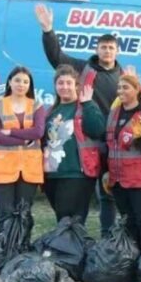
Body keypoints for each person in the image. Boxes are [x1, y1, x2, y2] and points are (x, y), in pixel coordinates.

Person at [35, 3, 122, 237]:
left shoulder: (124, 77)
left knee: (111, 193)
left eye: (111, 48)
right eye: (103, 47)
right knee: (95, 195)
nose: (107, 51)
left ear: (117, 51)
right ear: (97, 49)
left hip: (114, 142)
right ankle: (81, 238)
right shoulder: (84, 68)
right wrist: (48, 31)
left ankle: (110, 238)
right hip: (90, 142)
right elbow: (57, 57)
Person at [42, 65, 106, 223]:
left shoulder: (84, 107)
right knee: (61, 218)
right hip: (53, 174)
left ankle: (73, 247)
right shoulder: (51, 111)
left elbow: (97, 130)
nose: (64, 87)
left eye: (68, 83)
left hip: (77, 173)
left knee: (71, 218)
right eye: (60, 83)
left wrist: (88, 103)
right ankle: (65, 247)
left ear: (76, 85)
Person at [103, 74, 141, 247]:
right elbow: (109, 145)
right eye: (119, 87)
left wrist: (138, 138)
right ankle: (131, 261)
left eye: (126, 87)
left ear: (137, 90)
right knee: (127, 222)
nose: (121, 91)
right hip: (118, 179)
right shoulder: (113, 114)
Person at [0, 66, 45, 233]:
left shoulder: (36, 105)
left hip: (29, 170)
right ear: (10, 82)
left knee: (24, 213)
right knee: (5, 213)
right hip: (3, 169)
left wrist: (11, 132)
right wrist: (25, 139)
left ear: (30, 85)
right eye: (18, 80)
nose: (21, 84)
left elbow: (38, 132)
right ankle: (3, 251)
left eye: (26, 81)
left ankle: (21, 249)